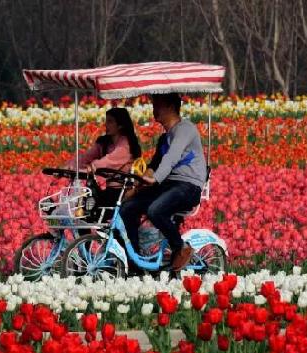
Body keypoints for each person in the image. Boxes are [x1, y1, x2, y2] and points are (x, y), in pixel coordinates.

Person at [119, 93, 206, 272]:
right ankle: (134, 259)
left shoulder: (185, 129)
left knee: (155, 210)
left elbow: (171, 157)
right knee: (127, 208)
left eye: (158, 105)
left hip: (188, 186)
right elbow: (154, 165)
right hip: (168, 186)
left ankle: (180, 247)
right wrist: (136, 188)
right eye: (154, 105)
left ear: (171, 107)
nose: (154, 109)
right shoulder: (164, 138)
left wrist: (155, 178)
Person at [69, 107, 142, 208]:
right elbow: (86, 156)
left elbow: (107, 162)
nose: (106, 125)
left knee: (88, 202)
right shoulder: (105, 143)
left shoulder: (125, 145)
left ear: (120, 125)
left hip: (122, 192)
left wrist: (90, 167)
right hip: (108, 190)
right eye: (106, 121)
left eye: (110, 121)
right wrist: (71, 165)